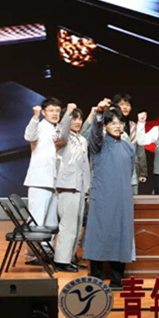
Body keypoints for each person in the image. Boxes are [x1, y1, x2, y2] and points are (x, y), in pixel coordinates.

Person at [82, 99, 136, 288]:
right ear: (105, 125)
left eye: (120, 122)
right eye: (112, 122)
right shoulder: (99, 143)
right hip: (102, 196)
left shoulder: (128, 146)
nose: (117, 126)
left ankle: (116, 278)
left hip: (122, 197)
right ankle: (97, 276)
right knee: (99, 233)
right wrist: (99, 114)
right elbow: (95, 133)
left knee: (120, 234)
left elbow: (129, 172)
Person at [23, 98, 74, 264]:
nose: (55, 114)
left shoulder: (57, 129)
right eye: (51, 110)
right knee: (37, 219)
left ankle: (46, 252)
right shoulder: (39, 126)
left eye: (57, 111)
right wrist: (35, 117)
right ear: (44, 112)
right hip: (39, 180)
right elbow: (29, 136)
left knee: (51, 221)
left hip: (54, 181)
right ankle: (32, 254)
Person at [53, 108, 91, 273]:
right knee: (67, 225)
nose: (78, 122)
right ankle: (61, 260)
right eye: (74, 119)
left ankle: (70, 258)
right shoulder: (62, 136)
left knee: (77, 225)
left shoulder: (81, 139)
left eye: (79, 119)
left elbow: (85, 165)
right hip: (67, 186)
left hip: (80, 186)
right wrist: (67, 113)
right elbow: (61, 133)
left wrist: (87, 187)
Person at [112, 93, 148, 195]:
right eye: (121, 104)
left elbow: (140, 149)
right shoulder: (108, 126)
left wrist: (143, 172)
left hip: (132, 169)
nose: (125, 107)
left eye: (128, 105)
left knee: (132, 198)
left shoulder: (133, 126)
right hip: (114, 168)